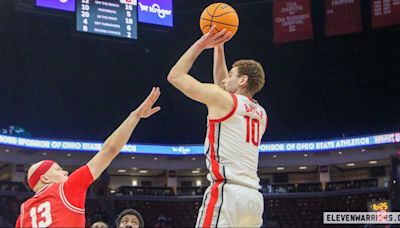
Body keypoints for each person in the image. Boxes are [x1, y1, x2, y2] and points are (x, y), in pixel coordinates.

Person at [15, 88, 161, 227]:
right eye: (59, 170)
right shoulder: (66, 188)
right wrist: (135, 116)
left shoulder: (23, 214)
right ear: (45, 178)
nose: (66, 172)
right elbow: (109, 150)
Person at [168, 26, 267, 227]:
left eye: (231, 74)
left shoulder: (224, 101)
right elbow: (223, 87)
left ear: (243, 80)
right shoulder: (262, 114)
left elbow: (175, 76)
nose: (225, 79)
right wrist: (219, 47)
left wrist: (202, 44)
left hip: (226, 193)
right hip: (254, 200)